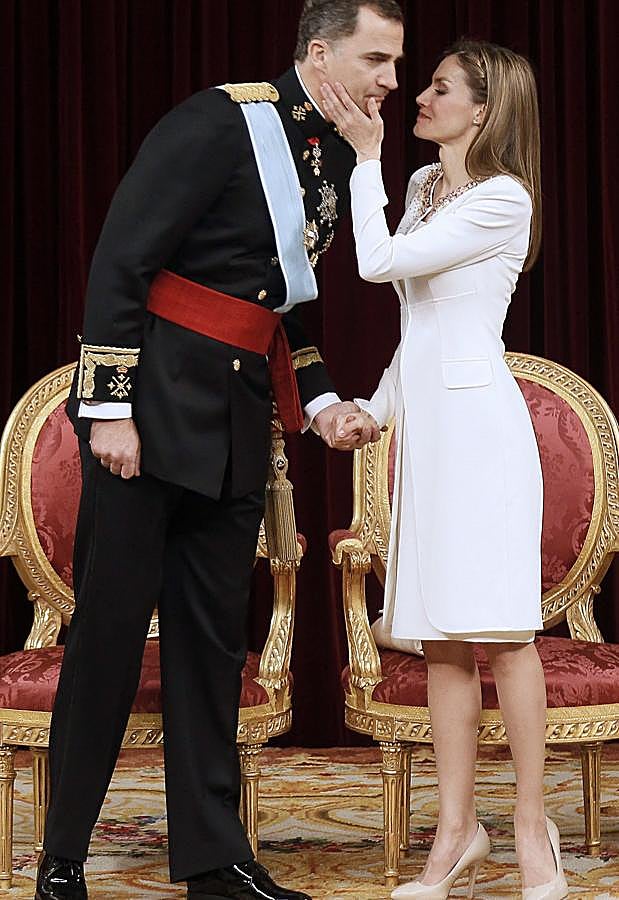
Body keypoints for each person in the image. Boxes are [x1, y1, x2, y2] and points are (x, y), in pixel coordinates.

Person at [35, 3, 404, 900]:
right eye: (376, 59)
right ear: (319, 54)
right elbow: (121, 261)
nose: (390, 80)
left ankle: (213, 861)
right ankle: (62, 862)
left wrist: (316, 402)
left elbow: (283, 304)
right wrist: (110, 409)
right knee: (110, 640)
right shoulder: (217, 120)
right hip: (150, 415)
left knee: (209, 647)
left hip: (236, 426)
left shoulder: (322, 152)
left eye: (396, 64)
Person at [323, 40, 569, 900]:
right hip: (426, 433)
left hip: (480, 435)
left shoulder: (504, 198)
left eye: (437, 88)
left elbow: (377, 264)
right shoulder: (428, 188)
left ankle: (531, 829)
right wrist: (375, 409)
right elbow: (417, 328)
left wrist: (363, 160)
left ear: (483, 109)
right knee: (439, 642)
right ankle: (457, 833)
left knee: (503, 636)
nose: (418, 96)